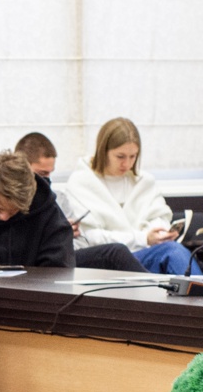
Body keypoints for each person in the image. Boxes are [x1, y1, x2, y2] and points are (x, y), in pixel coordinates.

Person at [63, 118, 198, 275]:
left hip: (145, 253)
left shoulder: (144, 181)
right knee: (172, 251)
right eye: (120, 156)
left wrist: (160, 233)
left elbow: (159, 217)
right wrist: (143, 238)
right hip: (103, 262)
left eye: (133, 156)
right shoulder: (81, 182)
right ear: (103, 151)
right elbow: (89, 237)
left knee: (173, 251)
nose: (127, 164)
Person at [14, 132, 147, 273]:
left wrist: (66, 235)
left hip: (66, 257)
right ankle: (156, 286)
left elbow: (82, 243)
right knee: (116, 253)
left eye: (50, 173)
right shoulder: (12, 202)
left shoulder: (59, 199)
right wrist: (55, 233)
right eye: (42, 174)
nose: (46, 180)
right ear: (22, 169)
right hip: (38, 260)